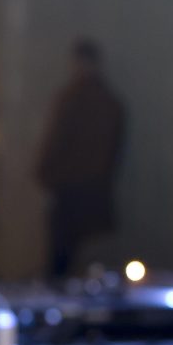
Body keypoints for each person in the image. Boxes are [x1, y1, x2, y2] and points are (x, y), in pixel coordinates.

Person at [33, 39, 126, 279]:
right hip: (87, 192)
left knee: (68, 262)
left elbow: (56, 142)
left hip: (73, 193)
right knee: (86, 261)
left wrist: (46, 174)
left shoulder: (76, 100)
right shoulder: (106, 102)